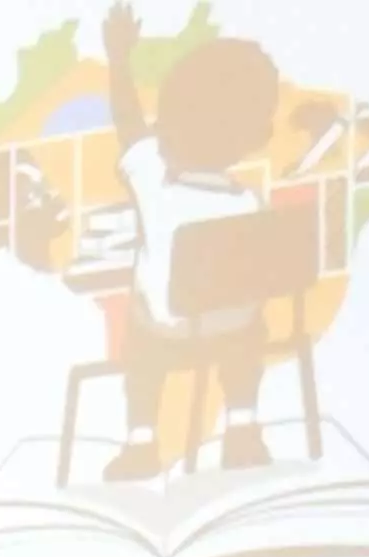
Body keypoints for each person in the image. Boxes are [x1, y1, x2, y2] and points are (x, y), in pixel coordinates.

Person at [99, 1, 282, 480]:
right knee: (250, 326)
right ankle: (243, 427)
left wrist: (119, 58)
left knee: (139, 326)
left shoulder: (150, 178)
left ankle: (141, 440)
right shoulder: (251, 202)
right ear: (255, 134)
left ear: (168, 124)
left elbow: (127, 123)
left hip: (165, 337)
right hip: (232, 335)